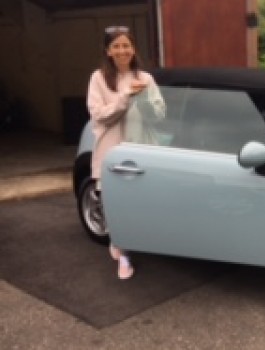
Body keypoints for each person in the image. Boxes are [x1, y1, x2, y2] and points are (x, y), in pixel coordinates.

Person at [86, 25, 160, 279]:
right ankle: (124, 254)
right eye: (116, 45)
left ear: (133, 48)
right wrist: (125, 97)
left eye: (126, 45)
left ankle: (133, 244)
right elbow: (100, 116)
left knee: (141, 204)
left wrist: (145, 100)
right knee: (115, 205)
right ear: (107, 50)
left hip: (141, 151)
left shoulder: (146, 78)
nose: (122, 50)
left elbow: (160, 115)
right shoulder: (98, 78)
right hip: (111, 154)